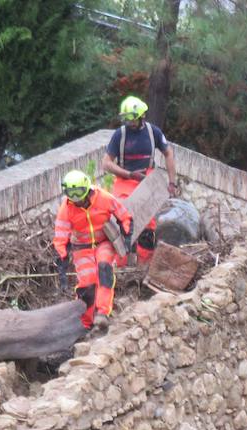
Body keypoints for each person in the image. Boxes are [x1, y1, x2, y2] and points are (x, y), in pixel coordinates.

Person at [101, 95, 178, 265]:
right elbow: (106, 163)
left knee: (147, 226)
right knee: (123, 217)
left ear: (141, 116)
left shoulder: (153, 132)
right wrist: (129, 174)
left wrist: (172, 182)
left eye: (131, 118)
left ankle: (143, 266)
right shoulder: (119, 135)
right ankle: (121, 266)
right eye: (125, 118)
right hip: (125, 179)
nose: (128, 122)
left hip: (147, 179)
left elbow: (168, 153)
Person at [54, 170, 133, 331]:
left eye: (79, 192)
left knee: (104, 269)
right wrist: (62, 260)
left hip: (103, 242)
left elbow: (124, 216)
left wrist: (126, 236)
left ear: (87, 189)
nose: (77, 198)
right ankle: (86, 323)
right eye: (71, 193)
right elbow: (61, 237)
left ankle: (102, 313)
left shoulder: (103, 198)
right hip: (81, 248)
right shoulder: (66, 209)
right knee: (87, 284)